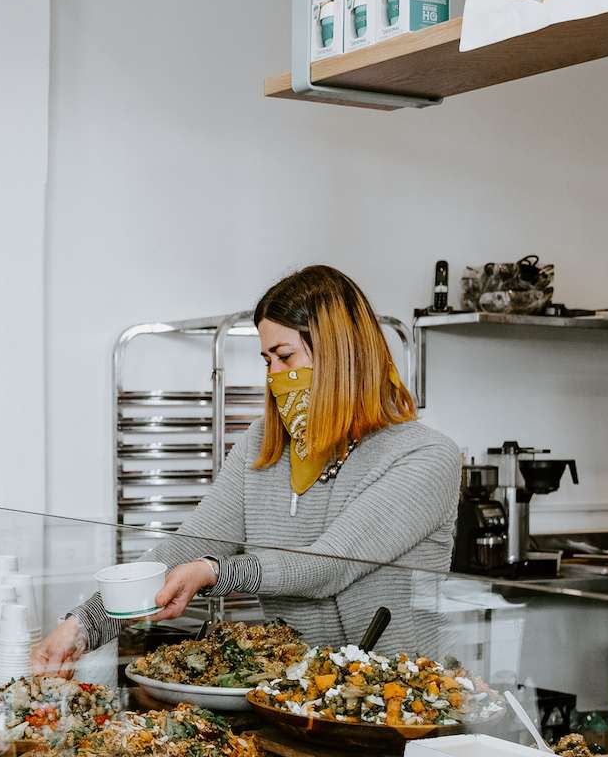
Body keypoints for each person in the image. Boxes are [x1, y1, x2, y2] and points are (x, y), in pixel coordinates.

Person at [35, 265, 460, 668]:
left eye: (285, 357)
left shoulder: (423, 457)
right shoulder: (263, 446)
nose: (274, 376)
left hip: (396, 709)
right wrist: (84, 624)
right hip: (295, 699)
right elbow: (190, 545)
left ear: (338, 355)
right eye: (266, 361)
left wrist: (215, 573)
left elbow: (327, 567)